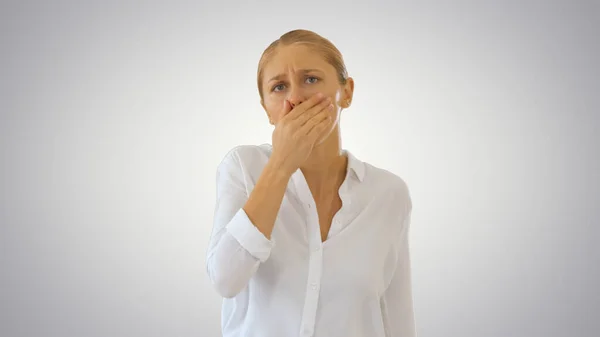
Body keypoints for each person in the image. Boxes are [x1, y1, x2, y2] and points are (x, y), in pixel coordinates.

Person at [205, 29, 416, 337]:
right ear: (266, 108)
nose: (295, 98)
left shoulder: (388, 193)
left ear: (347, 92)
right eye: (279, 87)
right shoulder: (243, 168)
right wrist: (280, 165)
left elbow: (396, 315)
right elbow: (225, 279)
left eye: (311, 79)